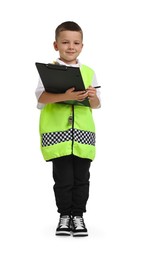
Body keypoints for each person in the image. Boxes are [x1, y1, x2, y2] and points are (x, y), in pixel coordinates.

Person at [35, 21, 101, 237]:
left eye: (76, 42)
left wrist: (92, 97)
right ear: (56, 45)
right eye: (65, 42)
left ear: (82, 46)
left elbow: (97, 105)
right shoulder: (48, 71)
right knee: (63, 179)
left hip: (83, 137)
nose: (70, 47)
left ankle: (78, 216)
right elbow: (42, 97)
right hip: (58, 136)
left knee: (82, 178)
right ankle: (65, 216)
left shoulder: (89, 72)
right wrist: (67, 96)